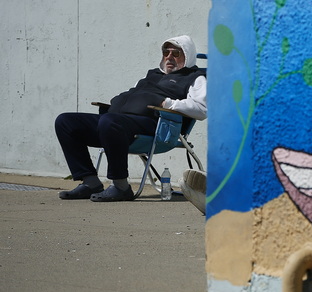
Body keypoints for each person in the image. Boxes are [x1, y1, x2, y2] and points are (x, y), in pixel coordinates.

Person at [55, 35, 207, 202]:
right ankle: (90, 182)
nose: (169, 57)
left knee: (109, 122)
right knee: (66, 122)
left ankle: (121, 187)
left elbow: (202, 109)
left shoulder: (195, 77)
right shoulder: (151, 75)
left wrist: (167, 103)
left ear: (188, 55)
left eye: (176, 53)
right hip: (119, 123)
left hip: (154, 126)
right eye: (166, 52)